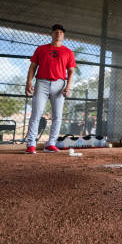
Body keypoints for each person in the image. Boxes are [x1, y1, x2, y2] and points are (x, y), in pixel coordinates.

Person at [24, 24, 76, 154]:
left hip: (59, 84)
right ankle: (31, 144)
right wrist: (28, 82)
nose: (58, 34)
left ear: (63, 35)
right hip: (42, 82)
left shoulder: (68, 52)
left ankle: (51, 143)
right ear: (51, 34)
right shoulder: (41, 49)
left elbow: (71, 71)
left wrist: (68, 86)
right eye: (56, 32)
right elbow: (32, 67)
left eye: (61, 32)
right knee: (36, 113)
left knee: (57, 116)